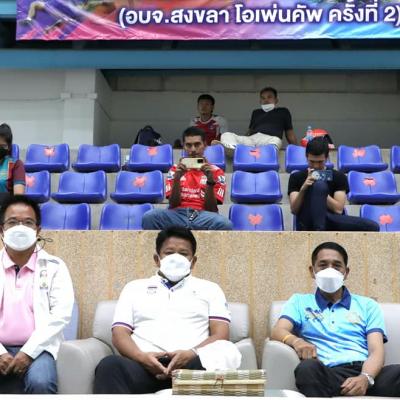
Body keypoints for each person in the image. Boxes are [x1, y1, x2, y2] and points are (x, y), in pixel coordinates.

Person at [94, 227, 231, 394]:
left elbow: (221, 335)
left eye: (183, 254)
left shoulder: (210, 289)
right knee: (110, 365)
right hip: (143, 367)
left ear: (193, 261)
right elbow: (119, 333)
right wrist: (142, 358)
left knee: (215, 360)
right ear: (157, 259)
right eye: (169, 253)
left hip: (191, 367)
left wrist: (191, 353)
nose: (176, 258)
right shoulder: (134, 288)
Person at [271, 241, 400, 397]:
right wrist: (296, 341)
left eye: (337, 265)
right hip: (327, 374)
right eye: (323, 265)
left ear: (346, 272)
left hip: (365, 373)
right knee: (307, 369)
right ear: (312, 271)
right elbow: (278, 331)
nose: (330, 270)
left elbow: (376, 350)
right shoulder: (299, 302)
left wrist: (365, 378)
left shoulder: (367, 305)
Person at [0, 195, 74, 394]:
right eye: (12, 222)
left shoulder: (55, 266)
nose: (20, 228)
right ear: (2, 229)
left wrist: (28, 352)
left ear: (38, 230)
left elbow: (60, 316)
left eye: (28, 223)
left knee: (41, 382)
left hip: (40, 348)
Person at [142, 127, 232, 230]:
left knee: (225, 224)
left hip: (203, 215)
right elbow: (173, 204)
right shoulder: (175, 170)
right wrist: (177, 179)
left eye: (197, 144)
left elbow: (211, 209)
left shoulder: (216, 172)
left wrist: (210, 181)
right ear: (184, 146)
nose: (193, 149)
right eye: (189, 145)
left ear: (205, 145)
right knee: (149, 217)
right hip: (176, 215)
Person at [288, 136, 379, 231]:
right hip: (307, 219)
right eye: (312, 161)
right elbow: (294, 210)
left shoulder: (338, 176)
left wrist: (321, 193)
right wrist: (304, 188)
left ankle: (319, 230)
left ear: (327, 158)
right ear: (306, 157)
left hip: (330, 219)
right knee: (319, 185)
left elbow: (338, 209)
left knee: (372, 226)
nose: (316, 166)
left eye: (320, 162)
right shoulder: (296, 177)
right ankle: (318, 232)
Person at [213, 87, 297, 156]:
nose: (266, 100)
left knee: (277, 141)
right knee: (226, 135)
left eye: (269, 97)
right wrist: (242, 140)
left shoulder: (283, 111)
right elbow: (250, 131)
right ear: (260, 101)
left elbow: (290, 133)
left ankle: (260, 153)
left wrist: (297, 150)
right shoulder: (256, 112)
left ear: (276, 100)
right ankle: (233, 149)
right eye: (263, 98)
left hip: (269, 139)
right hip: (252, 139)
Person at [0, 124, 25, 201]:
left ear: (9, 147)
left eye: (2, 146)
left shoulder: (16, 164)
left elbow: (18, 198)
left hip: (5, 206)